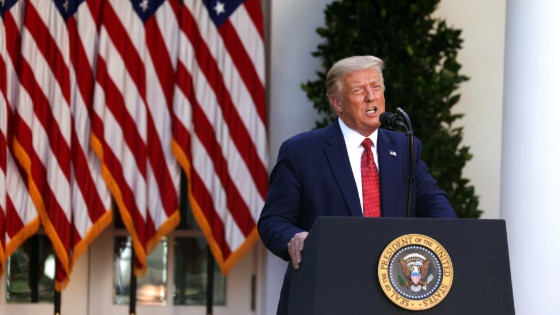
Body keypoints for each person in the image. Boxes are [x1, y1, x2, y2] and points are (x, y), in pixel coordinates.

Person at [258, 55, 456, 315]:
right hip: (327, 290)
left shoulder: (405, 147)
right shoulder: (302, 151)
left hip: (393, 292)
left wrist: (451, 235)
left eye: (375, 87)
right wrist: (295, 238)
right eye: (358, 90)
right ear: (337, 103)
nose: (371, 97)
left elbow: (434, 202)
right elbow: (272, 221)